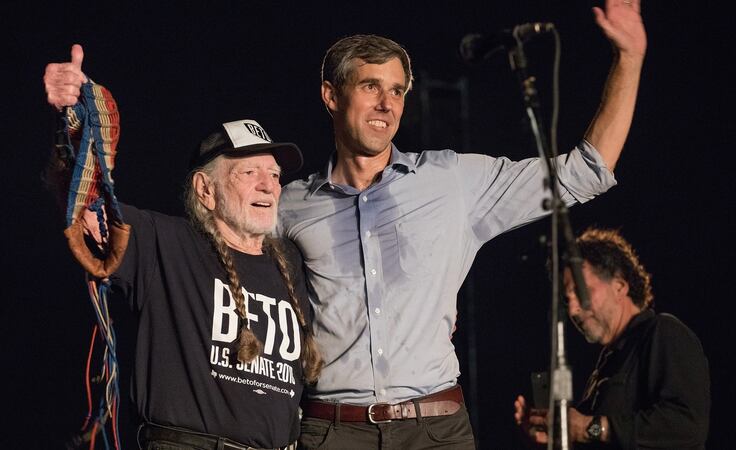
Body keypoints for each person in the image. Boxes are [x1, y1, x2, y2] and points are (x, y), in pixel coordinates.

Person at [277, 1, 647, 448]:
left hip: (435, 429)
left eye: (397, 91)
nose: (386, 103)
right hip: (333, 430)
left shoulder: (450, 181)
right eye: (370, 86)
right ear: (331, 96)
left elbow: (584, 172)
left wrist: (630, 57)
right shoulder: (288, 204)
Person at [43, 45, 322, 450]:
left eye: (274, 174)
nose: (269, 185)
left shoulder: (291, 262)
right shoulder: (165, 243)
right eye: (250, 172)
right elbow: (83, 205)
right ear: (205, 190)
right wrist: (72, 121)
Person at [514, 228, 710, 448]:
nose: (573, 310)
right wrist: (558, 438)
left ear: (620, 286)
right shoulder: (607, 362)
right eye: (567, 300)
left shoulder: (663, 332)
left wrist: (591, 427)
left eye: (581, 291)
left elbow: (687, 426)